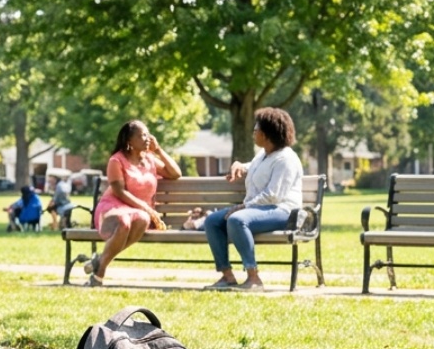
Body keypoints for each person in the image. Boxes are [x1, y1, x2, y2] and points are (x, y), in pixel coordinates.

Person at [203, 108, 303, 291]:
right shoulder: (263, 155)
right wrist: (240, 165)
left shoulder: (286, 159)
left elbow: (274, 195)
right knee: (212, 221)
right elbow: (254, 167)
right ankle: (227, 276)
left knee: (237, 220)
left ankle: (253, 277)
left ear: (266, 134)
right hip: (258, 209)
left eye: (256, 130)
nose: (253, 133)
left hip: (283, 211)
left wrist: (243, 206)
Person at [82, 120, 182, 286]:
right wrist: (147, 208)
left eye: (148, 134)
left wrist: (158, 150)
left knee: (142, 219)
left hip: (139, 212)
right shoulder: (117, 160)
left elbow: (175, 173)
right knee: (124, 222)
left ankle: (100, 261)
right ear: (129, 141)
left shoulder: (150, 160)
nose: (147, 138)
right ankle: (99, 274)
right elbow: (119, 192)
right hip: (113, 206)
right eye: (142, 135)